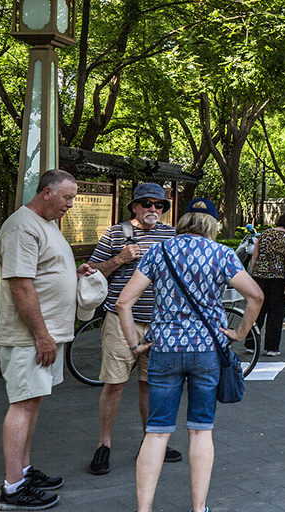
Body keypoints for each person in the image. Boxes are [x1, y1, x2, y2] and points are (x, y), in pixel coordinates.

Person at [116, 198, 264, 512]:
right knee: (200, 430)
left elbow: (123, 303)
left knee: (156, 433)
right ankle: (198, 508)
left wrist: (134, 344)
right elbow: (256, 295)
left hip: (164, 349)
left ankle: (143, 509)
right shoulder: (222, 254)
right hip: (206, 351)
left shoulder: (159, 251)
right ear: (211, 223)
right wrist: (238, 333)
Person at [0, 169, 96, 511]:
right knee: (22, 404)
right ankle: (13, 488)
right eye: (67, 197)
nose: (71, 204)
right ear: (47, 193)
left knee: (32, 401)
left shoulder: (46, 224)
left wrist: (73, 273)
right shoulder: (21, 226)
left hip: (44, 335)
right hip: (29, 337)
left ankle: (22, 470)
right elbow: (20, 285)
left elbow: (42, 270)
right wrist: (41, 335)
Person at [85, 182, 180, 476]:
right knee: (114, 385)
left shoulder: (171, 235)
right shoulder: (116, 233)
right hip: (119, 321)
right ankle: (103, 445)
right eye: (148, 204)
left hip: (159, 324)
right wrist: (120, 259)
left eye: (159, 205)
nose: (154, 209)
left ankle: (150, 442)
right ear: (135, 207)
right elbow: (90, 270)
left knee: (150, 385)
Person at [249, 212, 285, 356]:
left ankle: (251, 343)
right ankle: (271, 347)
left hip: (259, 277)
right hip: (278, 279)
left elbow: (254, 256)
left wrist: (254, 273)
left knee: (257, 311)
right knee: (276, 313)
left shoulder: (264, 234)